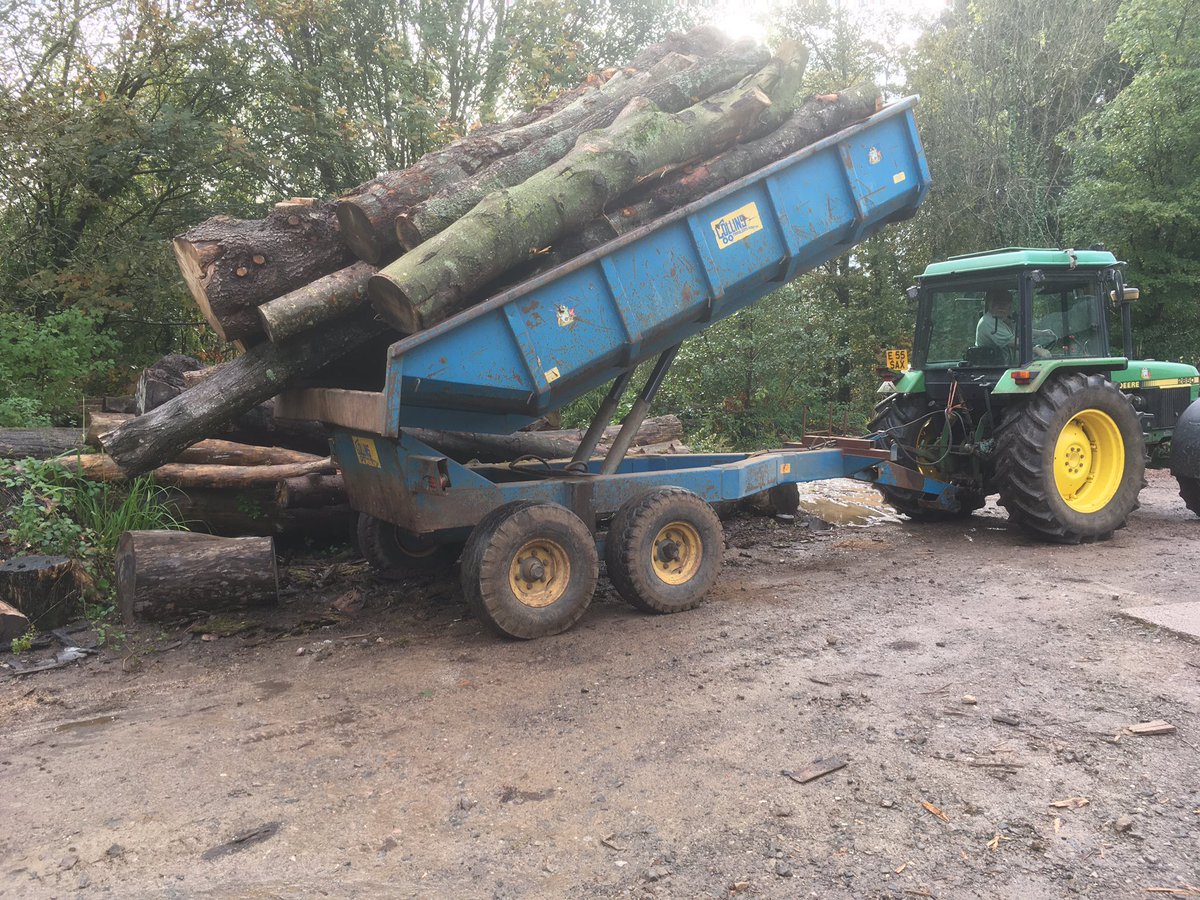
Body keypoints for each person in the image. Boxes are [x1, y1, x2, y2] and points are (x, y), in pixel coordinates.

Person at [975, 288, 1054, 359]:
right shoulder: (989, 322)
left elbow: (1019, 331)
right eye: (997, 304)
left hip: (1007, 365)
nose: (1001, 308)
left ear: (1010, 306)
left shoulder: (1001, 320)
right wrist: (1037, 349)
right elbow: (1014, 342)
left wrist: (1042, 333)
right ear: (989, 305)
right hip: (995, 368)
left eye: (1004, 304)